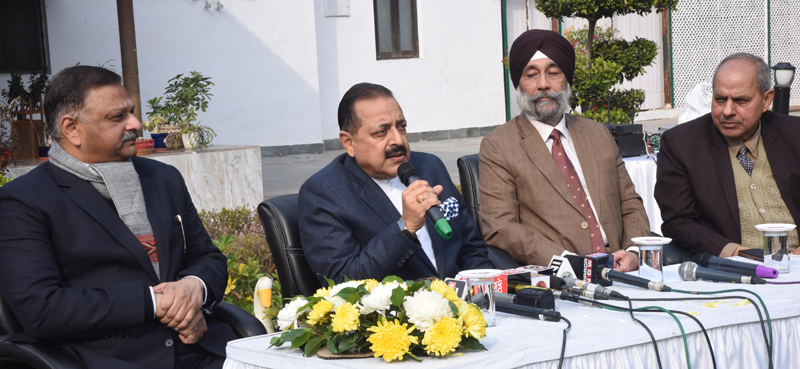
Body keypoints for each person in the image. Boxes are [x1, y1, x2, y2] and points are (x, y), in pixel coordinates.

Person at [0, 66, 235, 369]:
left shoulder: (163, 178)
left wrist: (194, 287)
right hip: (107, 359)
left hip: (201, 349)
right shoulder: (24, 201)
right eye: (117, 117)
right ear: (71, 128)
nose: (136, 124)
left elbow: (208, 258)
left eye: (132, 112)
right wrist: (153, 302)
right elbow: (43, 310)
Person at [479, 29, 650, 270]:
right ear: (519, 83)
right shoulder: (499, 146)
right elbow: (501, 228)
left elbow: (630, 203)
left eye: (553, 73)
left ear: (567, 79)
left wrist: (633, 251)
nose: (543, 85)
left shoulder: (597, 134)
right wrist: (568, 263)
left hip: (622, 269)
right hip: (559, 278)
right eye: (531, 75)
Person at [299, 83, 493, 283]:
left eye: (401, 127)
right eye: (381, 132)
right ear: (349, 142)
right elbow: (343, 281)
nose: (398, 140)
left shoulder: (429, 166)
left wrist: (484, 291)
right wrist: (405, 227)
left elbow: (471, 248)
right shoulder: (324, 193)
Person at [656, 53, 800, 257]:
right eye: (720, 99)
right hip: (731, 268)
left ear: (766, 100)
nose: (727, 111)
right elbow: (678, 222)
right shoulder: (682, 144)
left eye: (741, 101)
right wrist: (737, 253)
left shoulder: (794, 134)